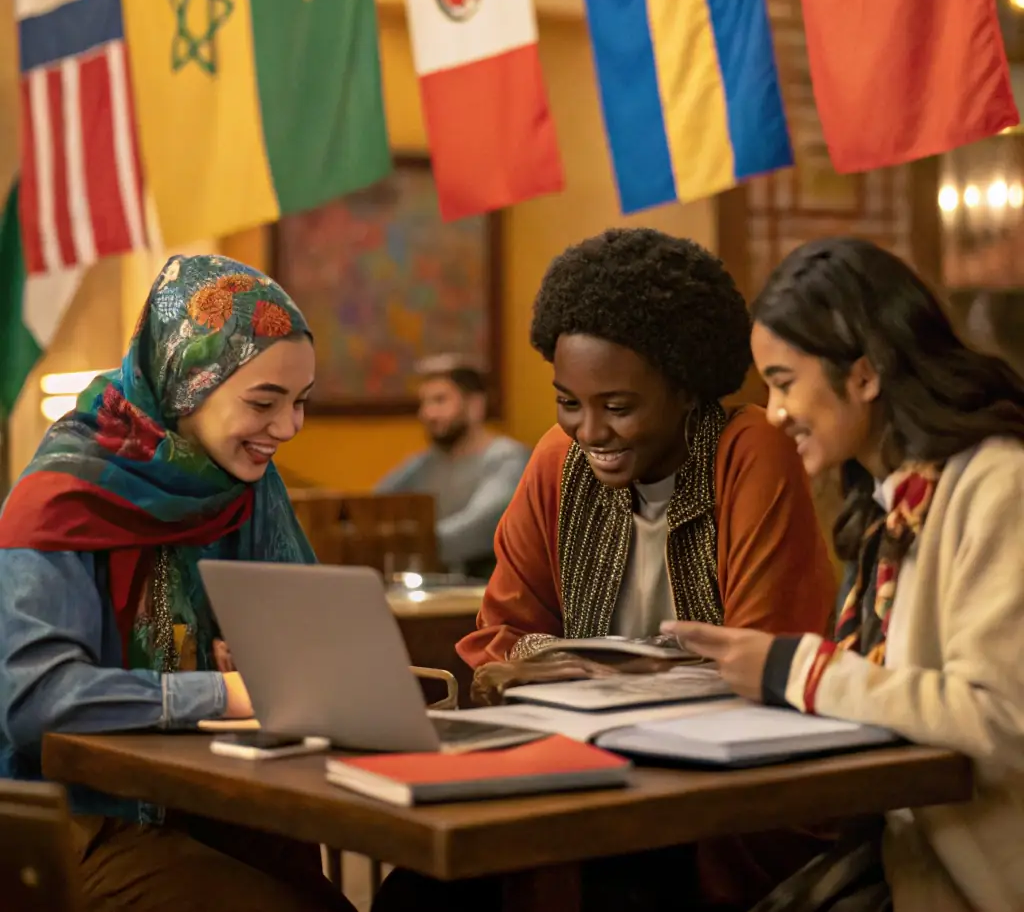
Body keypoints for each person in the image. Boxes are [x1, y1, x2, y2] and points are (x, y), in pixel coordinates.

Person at [376, 229, 837, 912]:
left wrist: (581, 672)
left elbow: (766, 656)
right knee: (416, 895)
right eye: (569, 402)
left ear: (684, 388)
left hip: (716, 808)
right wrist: (557, 671)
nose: (589, 431)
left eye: (618, 406)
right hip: (570, 778)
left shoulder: (749, 452)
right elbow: (499, 637)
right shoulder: (556, 461)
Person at [662, 236, 1024, 912]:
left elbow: (997, 717)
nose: (773, 413)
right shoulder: (888, 503)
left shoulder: (1000, 484)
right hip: (900, 864)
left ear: (864, 374)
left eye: (783, 382)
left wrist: (798, 672)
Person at [0, 253, 353, 912]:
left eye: (300, 402)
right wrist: (224, 691)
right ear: (188, 380)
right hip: (79, 825)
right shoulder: (63, 494)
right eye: (264, 401)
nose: (288, 428)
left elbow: (313, 655)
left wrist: (274, 663)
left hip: (222, 803)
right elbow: (35, 698)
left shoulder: (244, 486)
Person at [376, 358, 528, 577]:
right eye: (424, 403)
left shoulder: (508, 460)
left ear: (476, 406)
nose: (428, 414)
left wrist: (401, 545)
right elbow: (374, 505)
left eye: (439, 401)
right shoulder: (423, 464)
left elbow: (477, 528)